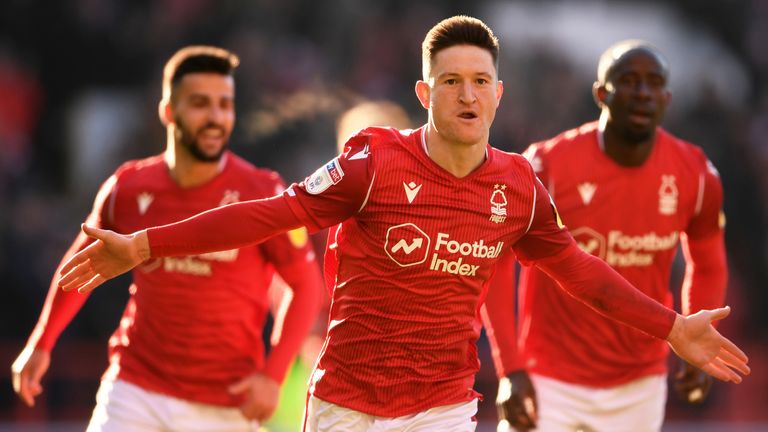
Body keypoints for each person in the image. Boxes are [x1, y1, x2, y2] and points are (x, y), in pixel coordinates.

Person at [56, 17, 749, 432]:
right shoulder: (372, 164)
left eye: (480, 80)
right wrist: (145, 245)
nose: (468, 94)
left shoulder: (518, 186)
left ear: (499, 93)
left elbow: (581, 274)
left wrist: (671, 326)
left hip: (441, 407)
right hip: (347, 403)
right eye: (452, 81)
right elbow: (266, 216)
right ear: (425, 93)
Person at [11, 45, 323, 431]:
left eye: (225, 105)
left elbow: (307, 286)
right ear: (168, 111)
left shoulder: (263, 190)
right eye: (200, 104)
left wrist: (273, 375)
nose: (215, 117)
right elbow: (80, 268)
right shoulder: (128, 186)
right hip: (135, 389)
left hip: (226, 402)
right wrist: (41, 343)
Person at [485, 40, 731, 432]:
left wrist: (699, 344)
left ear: (667, 97)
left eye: (654, 83)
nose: (642, 93)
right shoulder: (547, 165)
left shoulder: (697, 174)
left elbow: (708, 265)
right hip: (548, 379)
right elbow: (496, 263)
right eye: (629, 81)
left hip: (640, 383)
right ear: (601, 93)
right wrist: (509, 368)